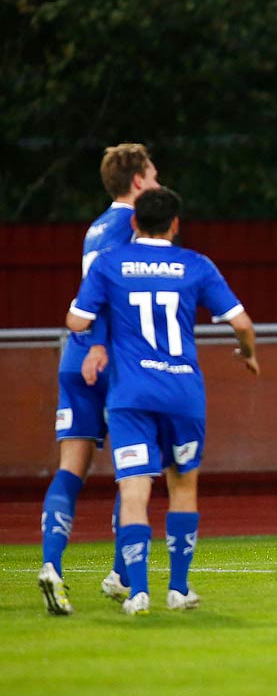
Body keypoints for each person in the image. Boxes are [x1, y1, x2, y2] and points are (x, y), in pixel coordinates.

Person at [60, 188, 259, 615]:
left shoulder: (111, 264)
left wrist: (96, 326)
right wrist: (249, 354)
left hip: (130, 395)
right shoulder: (195, 264)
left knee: (134, 489)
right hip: (182, 393)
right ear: (175, 224)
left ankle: (138, 592)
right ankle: (179, 588)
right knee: (182, 485)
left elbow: (76, 318)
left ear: (133, 223)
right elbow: (242, 323)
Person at [39, 143, 161, 613]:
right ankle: (121, 573)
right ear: (136, 182)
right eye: (152, 176)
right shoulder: (130, 226)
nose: (156, 184)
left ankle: (53, 565)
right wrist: (105, 347)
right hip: (108, 357)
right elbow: (110, 292)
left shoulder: (95, 227)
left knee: (72, 467)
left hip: (76, 356)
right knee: (137, 466)